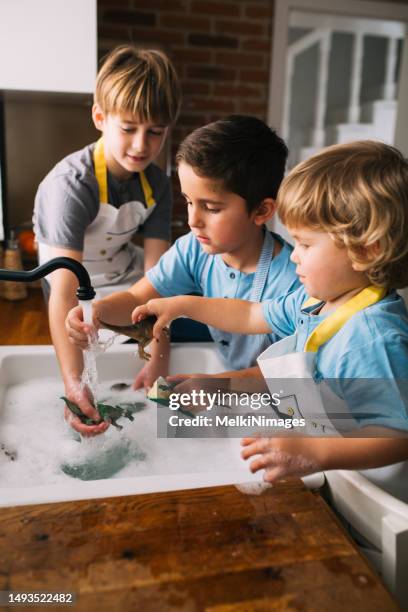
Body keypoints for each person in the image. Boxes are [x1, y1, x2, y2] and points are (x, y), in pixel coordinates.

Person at [133, 140, 408, 498]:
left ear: (366, 250)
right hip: (333, 475)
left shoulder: (374, 336)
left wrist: (315, 452)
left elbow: (397, 437)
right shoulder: (315, 301)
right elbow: (251, 313)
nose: (295, 257)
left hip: (372, 503)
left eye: (306, 245)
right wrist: (184, 305)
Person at [66, 115, 300, 434]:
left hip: (278, 405)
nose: (193, 220)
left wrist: (220, 385)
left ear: (262, 211)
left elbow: (295, 378)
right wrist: (98, 312)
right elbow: (139, 298)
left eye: (212, 208)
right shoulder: (193, 249)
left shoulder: (294, 281)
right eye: (189, 201)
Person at [33, 45, 181, 435]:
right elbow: (64, 291)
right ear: (100, 117)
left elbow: (158, 280)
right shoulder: (72, 186)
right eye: (129, 128)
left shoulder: (158, 184)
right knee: (79, 335)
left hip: (124, 278)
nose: (141, 145)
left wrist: (159, 358)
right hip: (69, 287)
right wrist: (74, 385)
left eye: (155, 132)